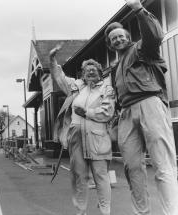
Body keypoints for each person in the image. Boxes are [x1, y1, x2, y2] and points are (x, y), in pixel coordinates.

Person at [104, 0, 178, 214]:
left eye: (121, 36)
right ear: (110, 45)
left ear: (128, 37)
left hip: (150, 103)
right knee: (132, 167)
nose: (118, 39)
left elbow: (154, 35)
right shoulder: (115, 69)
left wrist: (138, 9)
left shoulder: (142, 49)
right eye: (113, 39)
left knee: (162, 163)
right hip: (126, 113)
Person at [49, 47, 115, 215]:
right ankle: (80, 212)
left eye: (94, 70)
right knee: (79, 177)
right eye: (87, 70)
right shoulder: (76, 87)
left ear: (100, 73)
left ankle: (105, 212)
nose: (90, 72)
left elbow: (107, 112)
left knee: (101, 178)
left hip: (98, 139)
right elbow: (60, 77)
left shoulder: (106, 89)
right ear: (82, 74)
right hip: (76, 139)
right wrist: (52, 60)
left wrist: (86, 113)